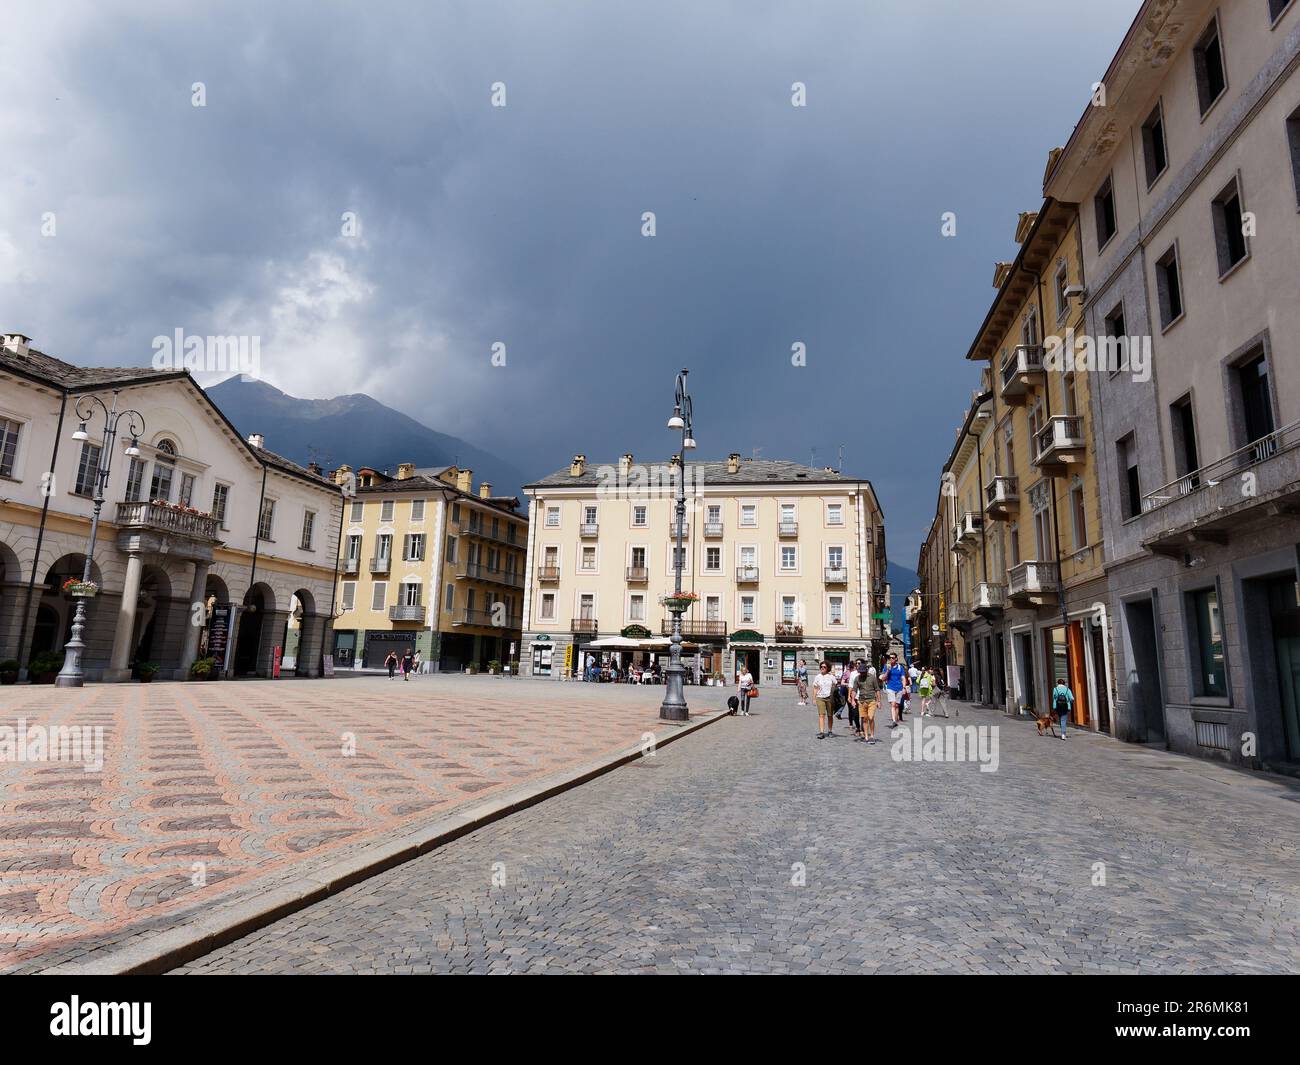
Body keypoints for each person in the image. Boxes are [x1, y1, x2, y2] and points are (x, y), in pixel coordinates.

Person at [853, 664, 880, 743]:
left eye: (863, 672)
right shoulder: (857, 678)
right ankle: (866, 737)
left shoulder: (872, 678)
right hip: (862, 701)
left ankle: (872, 736)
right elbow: (854, 690)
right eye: (860, 672)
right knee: (864, 719)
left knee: (871, 717)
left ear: (866, 671)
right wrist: (852, 700)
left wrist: (878, 701)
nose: (862, 674)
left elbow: (877, 689)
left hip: (871, 700)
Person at [881, 653, 908, 728]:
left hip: (899, 688)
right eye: (890, 658)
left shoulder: (900, 667)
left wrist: (904, 687)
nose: (891, 659)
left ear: (896, 659)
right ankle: (893, 721)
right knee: (893, 704)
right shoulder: (886, 666)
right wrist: (888, 671)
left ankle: (895, 720)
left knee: (897, 705)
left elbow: (903, 678)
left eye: (893, 658)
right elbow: (883, 678)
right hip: (890, 687)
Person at [811, 661, 837, 739]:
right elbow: (815, 688)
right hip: (820, 697)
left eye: (824, 667)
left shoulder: (831, 676)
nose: (822, 668)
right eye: (821, 667)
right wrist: (814, 698)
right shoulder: (817, 677)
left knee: (830, 715)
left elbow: (835, 684)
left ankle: (830, 731)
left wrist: (833, 690)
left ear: (827, 668)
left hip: (829, 698)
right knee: (821, 715)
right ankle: (821, 732)